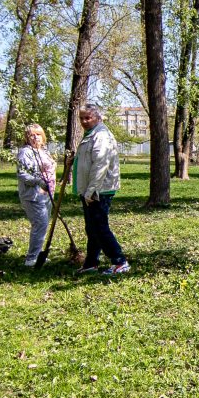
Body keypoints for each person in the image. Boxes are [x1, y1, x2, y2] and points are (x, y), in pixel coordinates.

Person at [73, 104, 129, 275]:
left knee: (99, 227)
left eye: (87, 117)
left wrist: (91, 190)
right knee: (92, 228)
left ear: (97, 117)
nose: (84, 121)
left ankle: (120, 261)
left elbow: (100, 165)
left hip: (99, 190)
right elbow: (86, 162)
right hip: (89, 189)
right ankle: (91, 263)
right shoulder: (90, 135)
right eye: (81, 118)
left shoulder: (101, 135)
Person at [16, 123, 57, 267]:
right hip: (33, 195)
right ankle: (31, 258)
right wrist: (38, 181)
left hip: (47, 194)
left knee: (43, 225)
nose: (35, 137)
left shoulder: (43, 151)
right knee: (40, 224)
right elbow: (22, 174)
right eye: (31, 135)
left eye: (38, 134)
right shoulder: (25, 152)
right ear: (27, 137)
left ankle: (38, 254)